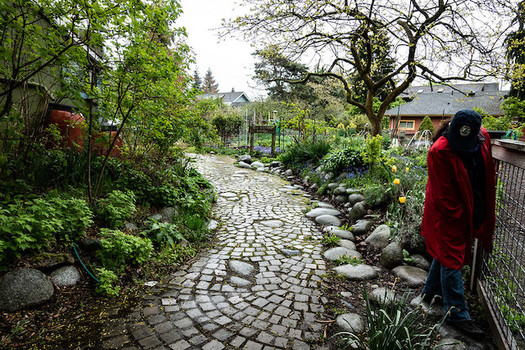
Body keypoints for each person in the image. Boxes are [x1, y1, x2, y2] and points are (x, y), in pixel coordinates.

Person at [421, 109, 496, 336]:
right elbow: (446, 197)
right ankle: (457, 314)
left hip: (472, 204)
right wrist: (464, 224)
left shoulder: (482, 135)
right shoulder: (439, 151)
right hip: (447, 211)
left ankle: (430, 293)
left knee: (446, 252)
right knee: (452, 255)